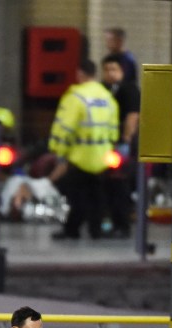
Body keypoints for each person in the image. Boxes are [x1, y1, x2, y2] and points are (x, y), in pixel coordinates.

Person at [49, 59, 119, 240]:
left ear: (80, 73)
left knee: (76, 195)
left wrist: (59, 150)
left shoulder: (76, 97)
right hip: (101, 156)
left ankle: (72, 230)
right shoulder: (107, 97)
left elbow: (66, 128)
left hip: (79, 156)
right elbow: (113, 129)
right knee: (96, 195)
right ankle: (96, 230)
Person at [101, 53, 141, 237]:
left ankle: (122, 224)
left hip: (121, 144)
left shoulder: (129, 89)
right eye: (107, 69)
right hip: (104, 144)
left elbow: (132, 116)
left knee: (120, 184)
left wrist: (126, 139)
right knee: (107, 185)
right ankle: (109, 222)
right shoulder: (103, 89)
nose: (110, 73)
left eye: (114, 69)